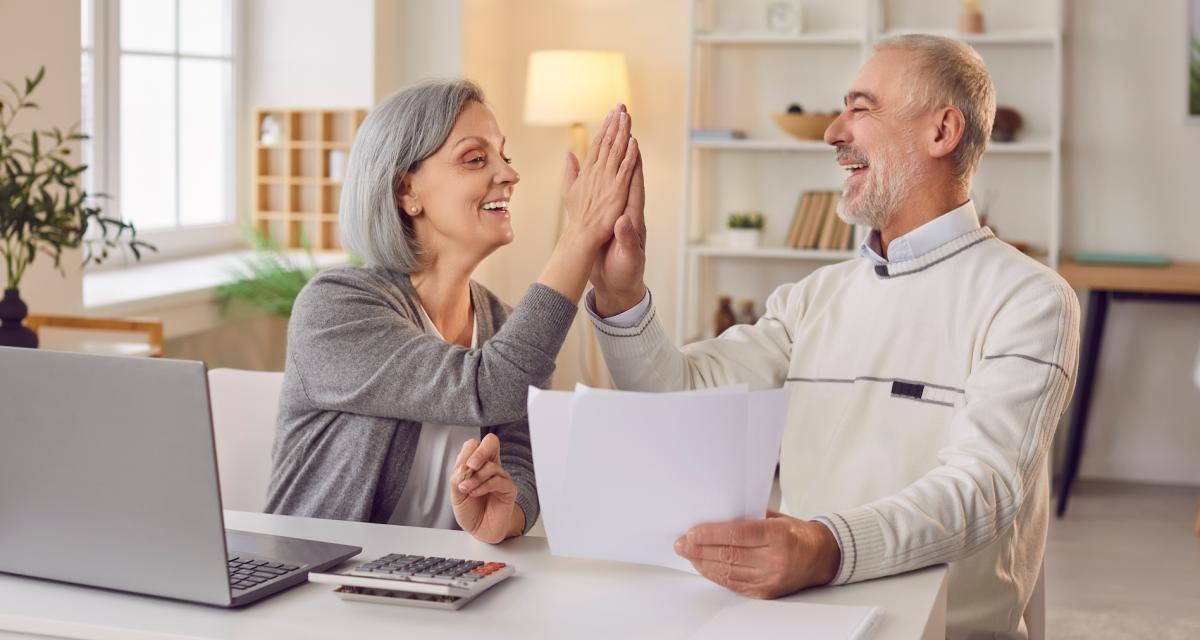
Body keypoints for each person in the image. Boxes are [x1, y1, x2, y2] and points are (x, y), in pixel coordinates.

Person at [586, 35, 1080, 638]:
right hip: (800, 618)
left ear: (942, 131)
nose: (832, 132)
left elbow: (983, 488)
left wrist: (824, 548)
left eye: (861, 107)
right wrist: (619, 294)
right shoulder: (811, 297)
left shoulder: (1030, 299)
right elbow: (683, 395)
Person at [266, 79, 643, 544]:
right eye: (476, 159)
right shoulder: (335, 307)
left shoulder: (503, 325)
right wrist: (579, 237)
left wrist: (507, 512)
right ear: (407, 191)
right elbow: (487, 386)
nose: (509, 174)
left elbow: (521, 459)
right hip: (315, 588)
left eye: (505, 156)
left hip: (440, 585)